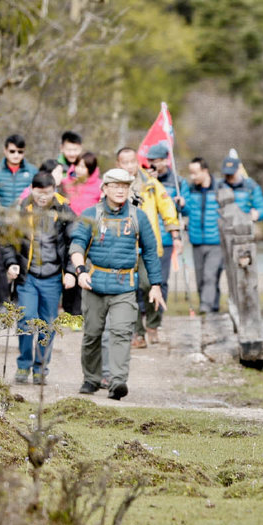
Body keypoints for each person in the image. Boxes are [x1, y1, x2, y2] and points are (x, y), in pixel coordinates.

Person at [68, 168, 166, 400]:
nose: (121, 190)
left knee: (121, 333)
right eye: (115, 186)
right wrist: (80, 271)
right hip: (94, 284)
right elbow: (77, 245)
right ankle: (91, 379)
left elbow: (150, 252)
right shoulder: (91, 214)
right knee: (92, 334)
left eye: (125, 186)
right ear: (104, 189)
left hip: (124, 287)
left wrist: (155, 285)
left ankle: (117, 382)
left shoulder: (138, 217)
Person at [0, 171, 77, 385]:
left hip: (53, 276)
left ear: (54, 190)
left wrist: (71, 271)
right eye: (39, 192)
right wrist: (11, 262)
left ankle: (40, 367)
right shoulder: (21, 210)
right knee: (26, 319)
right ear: (32, 190)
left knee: (47, 324)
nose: (43, 197)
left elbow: (75, 242)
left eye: (48, 193)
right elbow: (8, 240)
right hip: (28, 276)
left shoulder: (64, 211)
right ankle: (24, 364)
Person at [118, 146, 180, 348]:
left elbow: (167, 207)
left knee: (150, 285)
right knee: (129, 290)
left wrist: (175, 233)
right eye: (125, 162)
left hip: (148, 245)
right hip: (123, 246)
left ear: (137, 162)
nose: (129, 166)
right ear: (119, 164)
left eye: (132, 162)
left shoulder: (151, 184)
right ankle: (137, 332)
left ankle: (153, 324)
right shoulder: (114, 185)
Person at [180, 158, 224, 313]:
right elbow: (186, 211)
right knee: (200, 278)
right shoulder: (190, 190)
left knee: (210, 275)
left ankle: (205, 307)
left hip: (216, 242)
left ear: (205, 171)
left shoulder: (220, 188)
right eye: (190, 173)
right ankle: (213, 306)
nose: (192, 177)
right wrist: (182, 204)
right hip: (196, 241)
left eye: (195, 173)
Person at [0, 133, 33, 209]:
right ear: (5, 151)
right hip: (0, 214)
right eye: (12, 151)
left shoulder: (32, 171)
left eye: (20, 152)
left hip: (24, 214)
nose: (16, 155)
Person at [221, 149, 263, 222]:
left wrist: (258, 213)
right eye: (227, 174)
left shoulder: (251, 186)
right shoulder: (219, 186)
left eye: (232, 174)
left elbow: (261, 207)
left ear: (238, 170)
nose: (229, 177)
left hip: (245, 226)